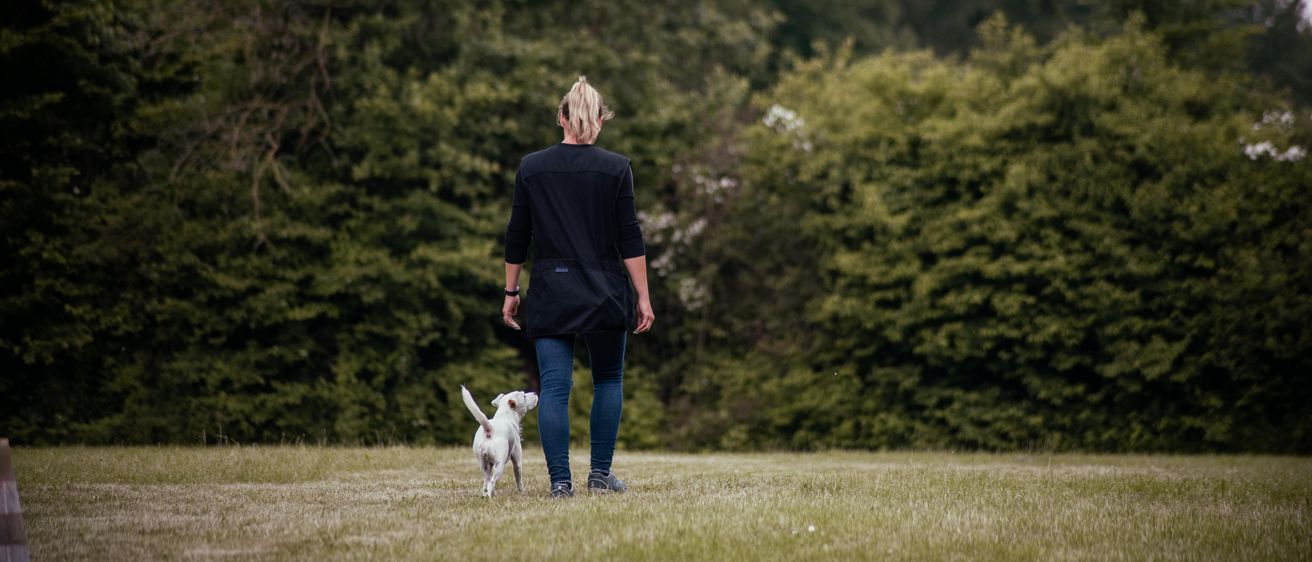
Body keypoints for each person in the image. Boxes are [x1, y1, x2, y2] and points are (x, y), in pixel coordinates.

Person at [501, 76, 655, 498]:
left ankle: (560, 483)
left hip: (552, 287)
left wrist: (511, 293)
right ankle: (600, 476)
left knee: (553, 385)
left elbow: (518, 234)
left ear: (561, 118)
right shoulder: (616, 167)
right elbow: (630, 237)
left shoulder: (532, 167)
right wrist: (643, 296)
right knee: (608, 378)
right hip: (605, 288)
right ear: (600, 121)